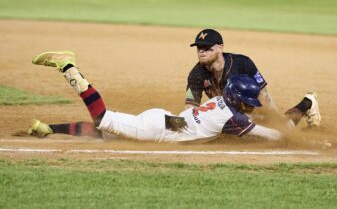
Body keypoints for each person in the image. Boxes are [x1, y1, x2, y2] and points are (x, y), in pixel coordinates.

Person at [28, 51, 321, 143]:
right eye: (248, 102)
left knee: (107, 132)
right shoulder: (234, 118)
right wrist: (309, 140)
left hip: (166, 121)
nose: (249, 106)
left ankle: (49, 130)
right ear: (239, 100)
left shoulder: (219, 104)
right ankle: (69, 67)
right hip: (158, 129)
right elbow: (276, 136)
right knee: (104, 119)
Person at [185, 29, 321, 128]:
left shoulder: (242, 63)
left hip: (252, 109)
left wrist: (273, 119)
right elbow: (189, 111)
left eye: (207, 47)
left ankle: (308, 102)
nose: (201, 51)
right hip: (228, 111)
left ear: (220, 48)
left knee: (282, 128)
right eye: (198, 48)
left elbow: (263, 96)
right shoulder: (196, 74)